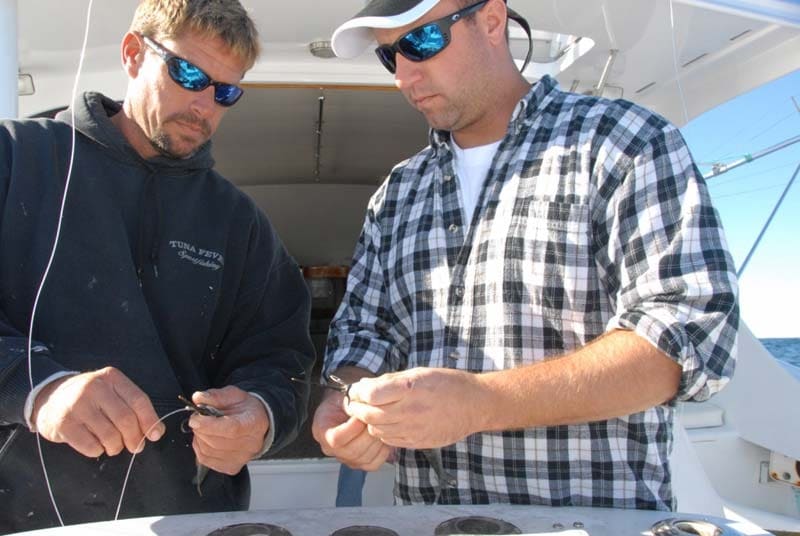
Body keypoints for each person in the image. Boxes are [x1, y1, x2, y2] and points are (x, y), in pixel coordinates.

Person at [312, 0, 738, 511]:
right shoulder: (397, 192)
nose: (404, 75)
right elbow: (364, 331)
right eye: (389, 57)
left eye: (420, 42)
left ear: (492, 20)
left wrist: (483, 403)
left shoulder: (623, 144)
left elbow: (686, 335)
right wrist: (346, 400)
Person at [0, 0, 314, 531]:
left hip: (191, 519)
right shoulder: (17, 157)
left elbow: (281, 359)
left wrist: (259, 415)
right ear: (131, 53)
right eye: (189, 74)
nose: (205, 106)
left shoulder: (240, 224)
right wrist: (39, 389)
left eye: (226, 91)